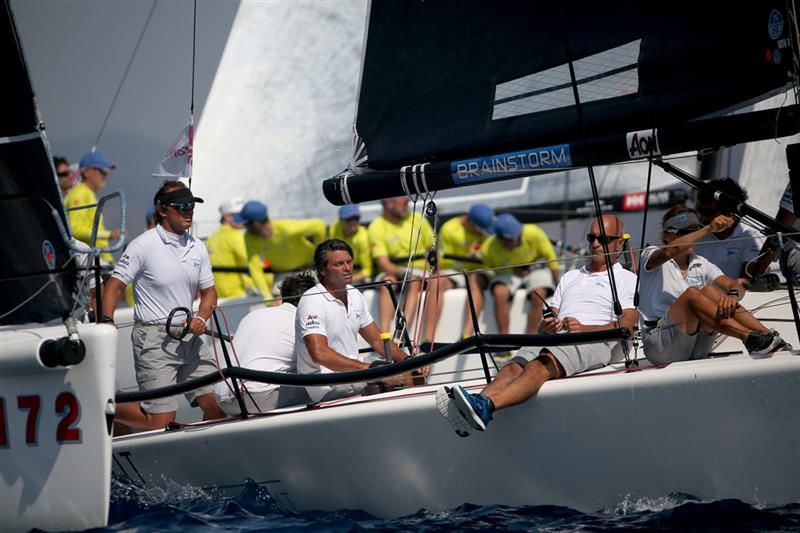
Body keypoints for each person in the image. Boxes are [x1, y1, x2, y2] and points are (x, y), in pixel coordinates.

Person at [437, 214, 637, 436]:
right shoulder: (570, 276)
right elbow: (552, 314)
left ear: (620, 242)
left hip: (591, 341)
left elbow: (629, 325)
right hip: (557, 338)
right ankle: (474, 407)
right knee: (513, 366)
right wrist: (546, 326)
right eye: (591, 238)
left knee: (540, 363)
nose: (595, 244)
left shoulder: (628, 279)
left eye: (604, 239)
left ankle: (485, 407)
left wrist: (585, 329)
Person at [102, 180, 226, 429]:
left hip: (189, 335)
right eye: (181, 205)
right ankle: (104, 408)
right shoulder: (143, 245)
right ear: (162, 209)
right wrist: (106, 321)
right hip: (153, 339)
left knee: (217, 407)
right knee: (161, 421)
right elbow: (114, 286)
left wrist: (201, 318)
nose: (188, 210)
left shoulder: (197, 247)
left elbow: (209, 292)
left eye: (191, 205)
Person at [638, 205, 788, 365]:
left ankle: (771, 339)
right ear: (667, 235)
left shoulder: (700, 262)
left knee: (710, 290)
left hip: (694, 342)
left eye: (695, 231)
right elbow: (670, 251)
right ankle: (749, 337)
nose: (693, 237)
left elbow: (734, 284)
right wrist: (708, 229)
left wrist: (732, 295)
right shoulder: (649, 254)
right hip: (659, 344)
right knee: (692, 294)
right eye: (685, 233)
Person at [295, 239, 415, 402]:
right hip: (326, 383)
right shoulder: (312, 301)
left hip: (355, 371)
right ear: (322, 270)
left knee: (410, 374)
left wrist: (409, 361)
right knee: (395, 379)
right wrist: (368, 369)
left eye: (349, 262)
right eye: (339, 264)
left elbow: (376, 340)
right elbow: (319, 354)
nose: (347, 268)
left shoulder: (354, 294)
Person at [214, 272, 317, 415]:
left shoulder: (252, 315)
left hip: (223, 400)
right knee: (325, 385)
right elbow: (318, 361)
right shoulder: (302, 321)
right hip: (257, 398)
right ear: (312, 300)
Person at [368, 196, 452, 341]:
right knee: (388, 282)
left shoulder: (418, 219)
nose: (408, 205)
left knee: (431, 282)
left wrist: (434, 269)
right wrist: (404, 272)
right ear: (388, 203)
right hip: (395, 271)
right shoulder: (376, 226)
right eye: (404, 202)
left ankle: (425, 338)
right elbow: (383, 263)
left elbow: (431, 251)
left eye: (408, 202)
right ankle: (386, 338)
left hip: (419, 272)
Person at [481, 213, 561, 334]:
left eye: (517, 235)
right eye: (511, 239)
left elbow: (551, 260)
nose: (517, 241)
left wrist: (560, 288)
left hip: (535, 268)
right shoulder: (488, 248)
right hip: (507, 272)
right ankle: (504, 343)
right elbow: (491, 271)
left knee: (539, 293)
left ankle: (532, 340)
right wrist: (512, 270)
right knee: (499, 292)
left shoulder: (534, 232)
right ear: (499, 238)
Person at [237, 200, 326, 299]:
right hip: (282, 275)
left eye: (245, 223)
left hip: (309, 268)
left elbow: (319, 225)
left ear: (256, 223)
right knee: (277, 301)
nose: (243, 227)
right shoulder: (249, 237)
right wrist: (266, 296)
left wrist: (320, 256)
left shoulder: (287, 228)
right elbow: (254, 266)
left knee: (317, 297)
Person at [695, 178, 771, 282]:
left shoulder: (751, 236)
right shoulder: (700, 238)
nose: (702, 218)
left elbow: (747, 280)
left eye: (708, 212)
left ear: (729, 212)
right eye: (700, 211)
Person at [438, 203, 496, 337]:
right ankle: (427, 340)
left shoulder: (489, 229)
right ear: (470, 222)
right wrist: (468, 257)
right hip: (456, 270)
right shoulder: (449, 228)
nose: (482, 233)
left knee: (474, 280)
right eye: (480, 229)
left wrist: (481, 254)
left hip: (480, 270)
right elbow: (445, 262)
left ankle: (467, 334)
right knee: (436, 283)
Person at [64, 150, 120, 264]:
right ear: (87, 172)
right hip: (92, 259)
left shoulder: (89, 194)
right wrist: (108, 235)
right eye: (102, 170)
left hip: (100, 257)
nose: (105, 175)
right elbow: (74, 230)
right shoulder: (80, 193)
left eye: (106, 172)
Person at [207, 197, 254, 299]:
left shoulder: (213, 236)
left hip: (218, 294)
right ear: (227, 217)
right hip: (235, 294)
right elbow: (253, 261)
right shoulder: (236, 236)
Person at [327, 204, 372, 283]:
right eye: (349, 219)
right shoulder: (333, 229)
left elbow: (367, 271)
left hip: (356, 276)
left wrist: (346, 280)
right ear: (340, 220)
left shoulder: (363, 238)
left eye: (356, 218)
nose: (353, 222)